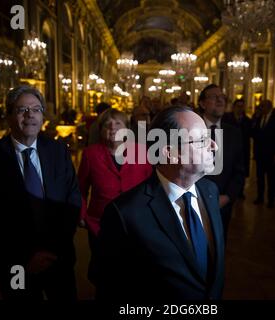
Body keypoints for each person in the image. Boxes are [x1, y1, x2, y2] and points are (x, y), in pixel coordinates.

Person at [94, 106, 224, 301]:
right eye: (202, 140)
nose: (213, 145)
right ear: (171, 153)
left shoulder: (210, 192)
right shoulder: (124, 213)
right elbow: (108, 285)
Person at [0, 85, 81, 299]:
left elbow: (72, 200)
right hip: (14, 264)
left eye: (36, 109)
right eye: (22, 110)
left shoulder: (58, 150)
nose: (30, 115)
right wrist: (20, 259)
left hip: (58, 257)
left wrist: (51, 250)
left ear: (43, 116)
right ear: (9, 116)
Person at [78, 109, 153, 283]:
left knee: (132, 275)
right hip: (99, 225)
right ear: (101, 130)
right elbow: (80, 188)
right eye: (107, 124)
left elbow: (152, 187)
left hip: (136, 225)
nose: (112, 128)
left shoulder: (141, 151)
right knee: (104, 275)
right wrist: (82, 215)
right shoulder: (90, 154)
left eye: (118, 123)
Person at [198, 85, 246, 240]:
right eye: (213, 97)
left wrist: (227, 197)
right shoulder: (188, 131)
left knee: (218, 247)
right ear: (202, 104)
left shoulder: (234, 133)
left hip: (222, 204)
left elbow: (239, 171)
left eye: (222, 97)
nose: (219, 100)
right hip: (192, 204)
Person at [251, 99, 275, 208]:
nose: (260, 108)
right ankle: (260, 197)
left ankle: (271, 200)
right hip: (260, 154)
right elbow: (255, 135)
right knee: (259, 177)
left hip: (272, 154)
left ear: (269, 107)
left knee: (271, 178)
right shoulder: (259, 118)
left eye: (262, 106)